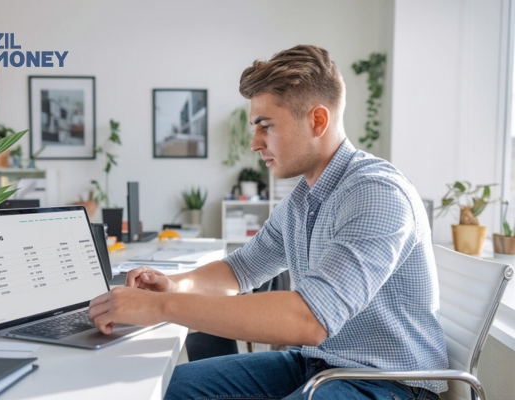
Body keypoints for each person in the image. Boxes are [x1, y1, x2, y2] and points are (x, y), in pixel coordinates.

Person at [88, 44, 449, 400]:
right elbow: (241, 269)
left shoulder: (376, 193)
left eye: (266, 126)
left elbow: (309, 321)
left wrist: (158, 308)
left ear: (317, 121)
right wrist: (172, 285)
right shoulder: (301, 200)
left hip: (389, 383)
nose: (254, 143)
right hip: (320, 365)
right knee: (169, 388)